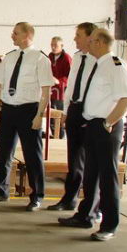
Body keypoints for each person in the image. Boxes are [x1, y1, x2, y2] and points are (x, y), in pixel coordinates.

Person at [59, 29, 127, 241]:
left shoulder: (116, 65)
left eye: (91, 41)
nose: (88, 45)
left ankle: (109, 225)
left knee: (107, 177)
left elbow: (126, 99)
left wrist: (108, 122)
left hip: (106, 126)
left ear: (99, 42)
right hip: (92, 124)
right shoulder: (99, 64)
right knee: (91, 175)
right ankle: (86, 216)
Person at [0, 22, 54, 211]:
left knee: (33, 155)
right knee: (4, 152)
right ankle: (1, 190)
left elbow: (46, 91)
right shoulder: (9, 57)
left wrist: (40, 115)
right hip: (8, 109)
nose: (12, 36)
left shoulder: (40, 58)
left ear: (27, 35)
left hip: (29, 110)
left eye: (15, 33)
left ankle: (37, 195)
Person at [48, 23, 97, 212]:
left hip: (91, 111)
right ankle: (69, 199)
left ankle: (93, 206)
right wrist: (67, 111)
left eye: (78, 35)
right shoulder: (77, 57)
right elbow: (71, 85)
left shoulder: (98, 59)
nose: (75, 39)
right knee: (74, 159)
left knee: (91, 161)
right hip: (75, 109)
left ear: (90, 37)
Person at [48, 36, 71, 138]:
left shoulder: (66, 58)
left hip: (61, 93)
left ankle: (60, 137)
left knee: (60, 116)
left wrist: (59, 81)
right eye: (52, 45)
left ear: (62, 46)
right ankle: (54, 136)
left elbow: (70, 76)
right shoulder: (50, 56)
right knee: (51, 116)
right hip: (51, 91)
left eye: (55, 45)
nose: (53, 47)